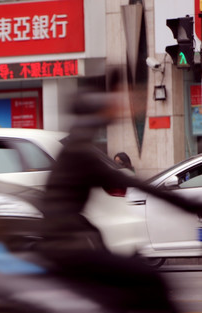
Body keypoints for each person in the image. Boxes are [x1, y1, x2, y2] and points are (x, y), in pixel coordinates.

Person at [40, 69, 202, 251]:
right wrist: (189, 205)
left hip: (68, 237)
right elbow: (136, 184)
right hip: (64, 245)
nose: (119, 108)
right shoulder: (81, 153)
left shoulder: (77, 148)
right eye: (112, 103)